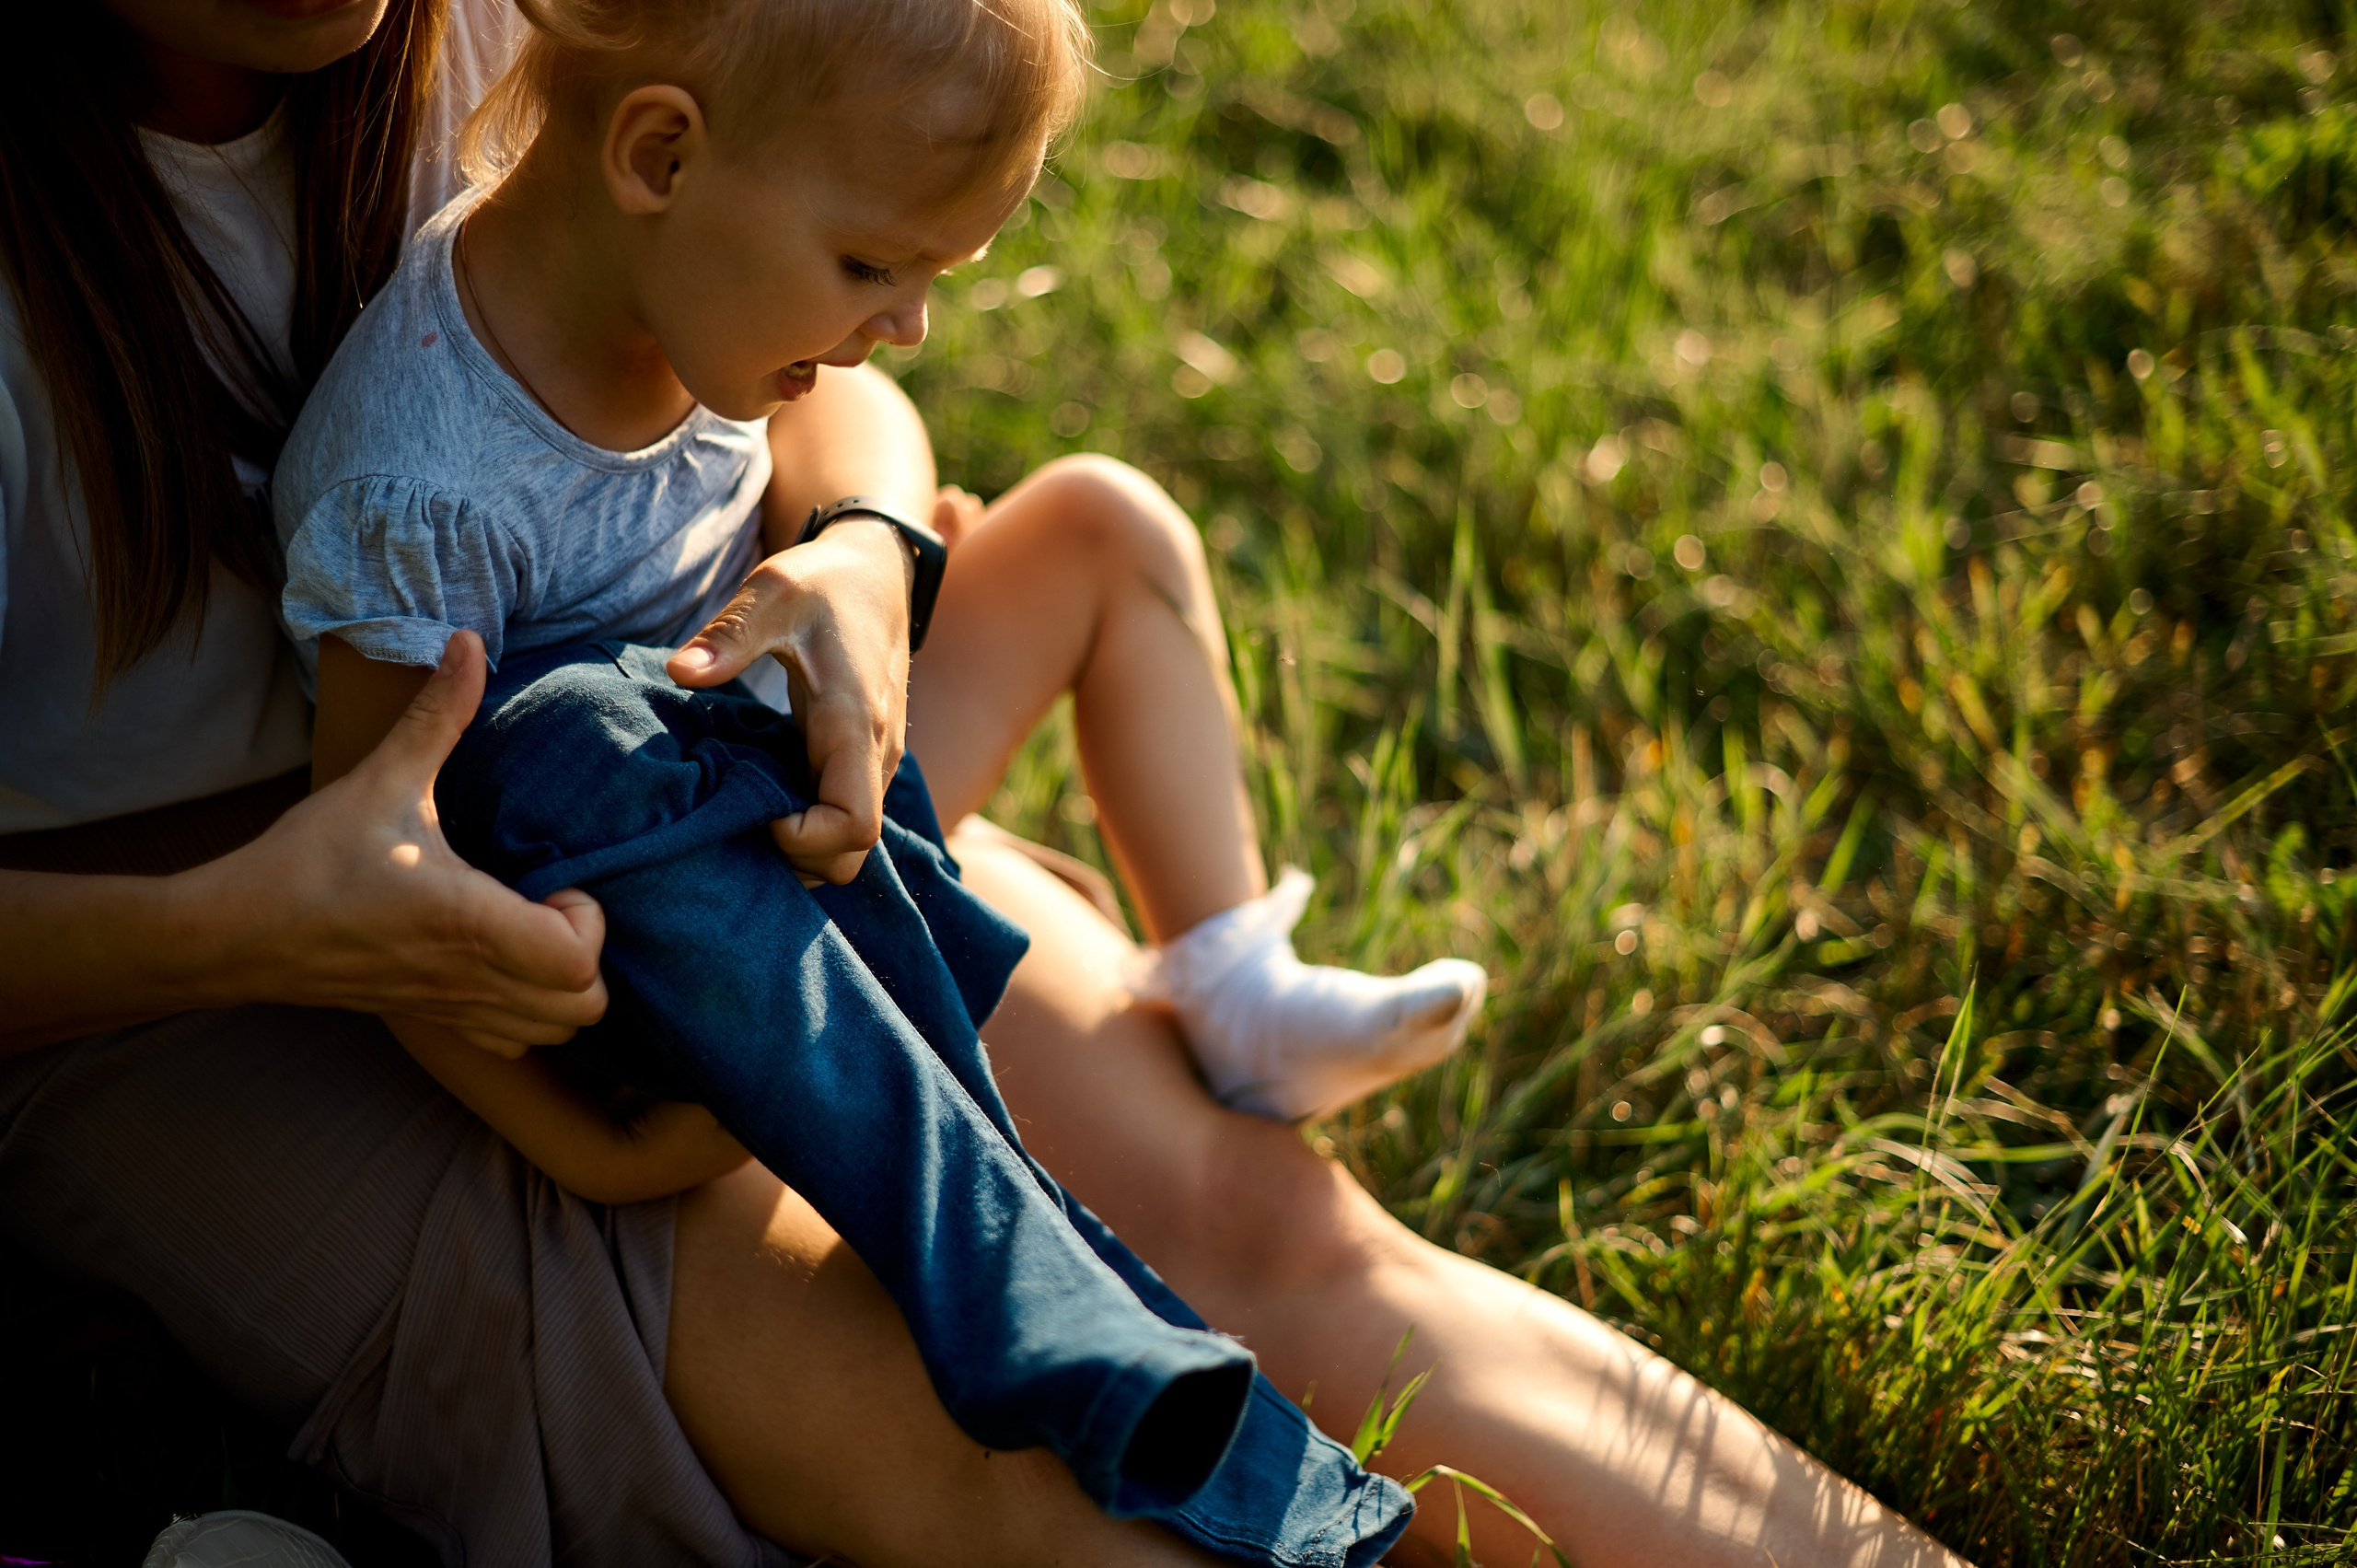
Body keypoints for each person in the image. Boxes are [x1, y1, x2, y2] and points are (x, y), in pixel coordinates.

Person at [0, 0, 1973, 1564]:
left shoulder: (540, 26)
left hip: (668, 793)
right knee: (1005, 1447)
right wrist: (248, 925)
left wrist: (861, 539)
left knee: (1262, 1238)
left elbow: (824, 366)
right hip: (173, 983)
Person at [268, 0, 1406, 1548]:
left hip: (805, 799)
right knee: (570, 734)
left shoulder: (702, 313)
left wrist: (860, 553)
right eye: (874, 267)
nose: (908, 324)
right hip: (649, 925)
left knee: (1095, 520)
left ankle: (1227, 974)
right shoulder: (421, 482)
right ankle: (1068, 1323)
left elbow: (852, 447)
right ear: (658, 154)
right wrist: (573, 1143)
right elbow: (368, 887)